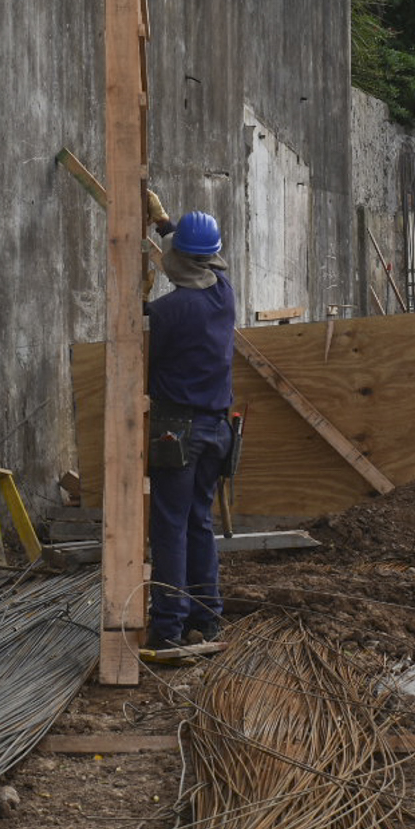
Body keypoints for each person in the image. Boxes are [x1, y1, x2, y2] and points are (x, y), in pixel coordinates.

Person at [144, 210, 237, 650]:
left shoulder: (166, 313)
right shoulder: (224, 295)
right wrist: (163, 221)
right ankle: (208, 616)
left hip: (177, 432)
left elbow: (141, 349)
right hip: (217, 432)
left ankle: (168, 628)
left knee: (169, 527)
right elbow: (189, 255)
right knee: (198, 522)